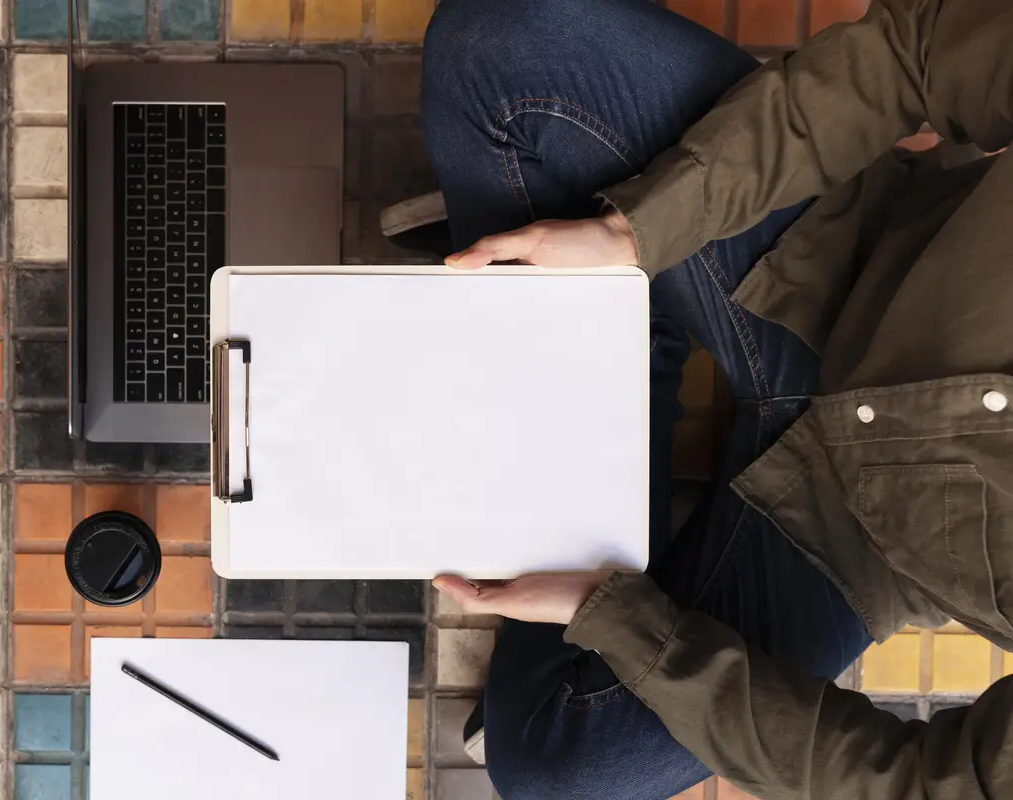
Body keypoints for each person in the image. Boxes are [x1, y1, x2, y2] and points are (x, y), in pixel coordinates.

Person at [419, 0, 1013, 797]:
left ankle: (604, 344)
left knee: (562, 767)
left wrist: (621, 623)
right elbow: (914, 55)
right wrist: (639, 230)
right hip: (843, 261)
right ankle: (619, 330)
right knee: (500, 42)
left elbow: (920, 786)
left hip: (862, 543)